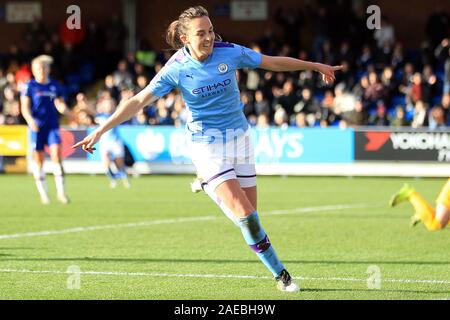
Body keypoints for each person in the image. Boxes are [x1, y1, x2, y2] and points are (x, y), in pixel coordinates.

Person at [72, 6, 342, 292]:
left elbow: (271, 62)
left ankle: (208, 183)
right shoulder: (176, 68)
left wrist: (314, 66)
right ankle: (282, 276)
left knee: (250, 218)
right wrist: (101, 129)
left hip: (240, 140)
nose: (209, 37)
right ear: (185, 38)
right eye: (201, 33)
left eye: (210, 31)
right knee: (245, 214)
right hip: (206, 144)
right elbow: (138, 101)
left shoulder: (230, 52)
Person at [20, 55, 72, 204]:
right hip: (37, 128)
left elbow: (59, 104)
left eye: (43, 67)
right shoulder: (29, 86)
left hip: (52, 127)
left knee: (56, 155)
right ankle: (44, 194)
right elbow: (25, 108)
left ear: (48, 69)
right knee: (39, 160)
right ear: (33, 70)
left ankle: (61, 193)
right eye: (38, 68)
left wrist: (70, 113)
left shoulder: (55, 86)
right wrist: (30, 121)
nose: (41, 70)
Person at [95, 97, 130, 189]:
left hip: (115, 142)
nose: (109, 106)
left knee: (119, 164)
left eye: (110, 104)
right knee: (106, 163)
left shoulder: (116, 115)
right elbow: (90, 111)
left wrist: (124, 100)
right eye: (107, 104)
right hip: (105, 143)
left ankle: (124, 178)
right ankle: (113, 180)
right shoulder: (100, 116)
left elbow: (122, 107)